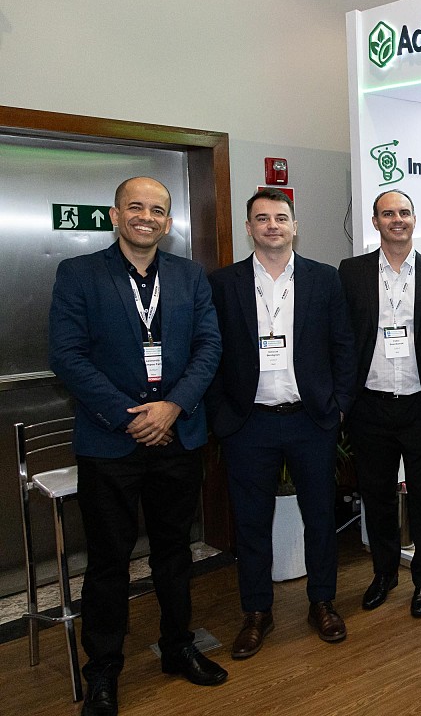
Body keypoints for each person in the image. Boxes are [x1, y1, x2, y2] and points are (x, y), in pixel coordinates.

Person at [49, 177, 226, 716]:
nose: (145, 217)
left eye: (156, 210)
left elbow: (209, 346)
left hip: (178, 438)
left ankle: (177, 646)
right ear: (115, 215)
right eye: (135, 207)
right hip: (110, 444)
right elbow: (67, 355)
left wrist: (173, 407)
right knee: (109, 561)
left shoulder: (189, 276)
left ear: (168, 222)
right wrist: (132, 417)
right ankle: (103, 671)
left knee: (175, 553)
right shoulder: (79, 273)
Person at [207, 189, 356, 657]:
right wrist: (220, 413)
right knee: (251, 523)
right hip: (248, 424)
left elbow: (343, 345)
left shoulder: (323, 278)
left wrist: (339, 406)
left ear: (295, 226)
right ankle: (257, 612)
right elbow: (210, 352)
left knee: (320, 518)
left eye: (280, 217)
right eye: (262, 218)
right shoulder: (223, 283)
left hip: (310, 421)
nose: (272, 225)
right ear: (248, 227)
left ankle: (322, 602)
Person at [339, 190, 421, 618]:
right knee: (377, 497)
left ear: (414, 219)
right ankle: (384, 573)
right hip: (370, 407)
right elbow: (344, 337)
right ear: (375, 222)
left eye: (404, 212)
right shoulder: (351, 272)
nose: (397, 219)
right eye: (388, 213)